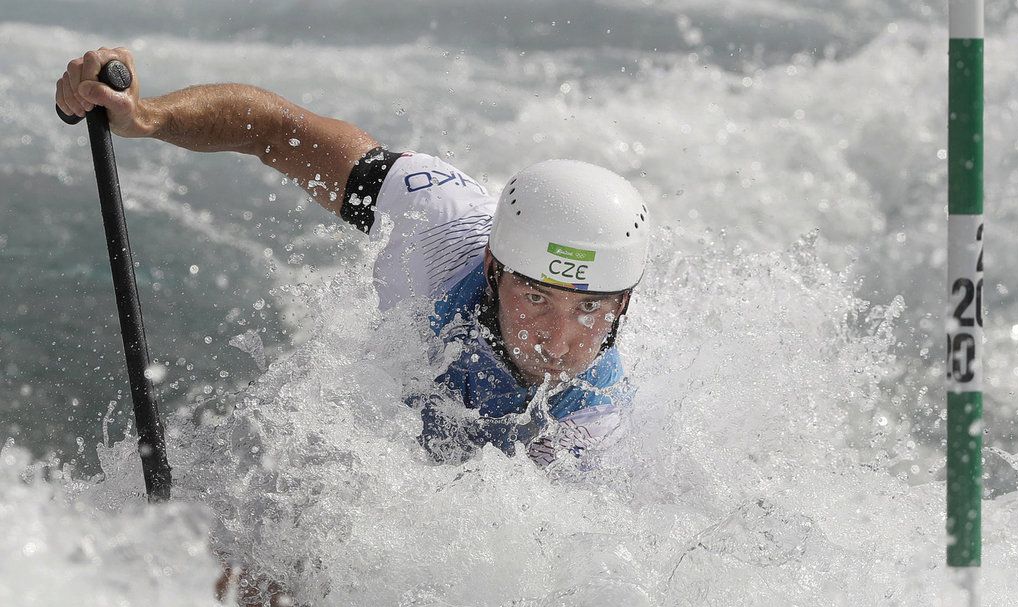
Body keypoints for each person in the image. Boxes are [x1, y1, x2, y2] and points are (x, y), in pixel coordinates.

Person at [57, 47, 652, 472]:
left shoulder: (596, 426)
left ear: (622, 306)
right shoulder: (439, 220)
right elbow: (271, 130)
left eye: (590, 310)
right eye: (537, 297)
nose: (556, 338)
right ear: (494, 268)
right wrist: (147, 116)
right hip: (387, 423)